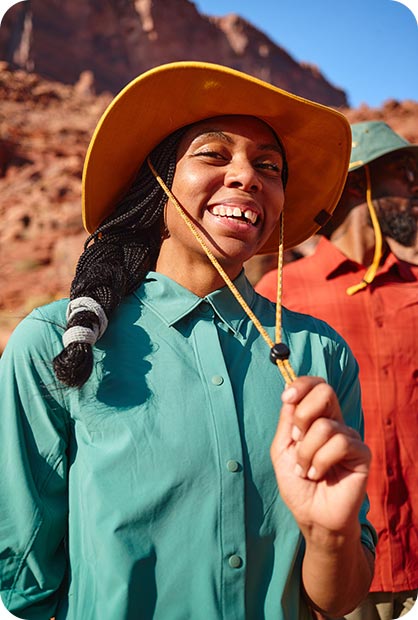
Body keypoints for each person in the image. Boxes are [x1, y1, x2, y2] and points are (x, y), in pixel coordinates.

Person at [0, 62, 376, 620]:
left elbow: (339, 598)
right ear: (158, 180)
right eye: (214, 155)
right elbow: (22, 581)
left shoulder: (321, 355)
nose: (248, 176)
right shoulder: (53, 344)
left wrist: (328, 536)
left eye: (269, 166)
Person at [256, 120, 418, 619]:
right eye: (400, 174)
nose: (414, 188)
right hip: (336, 560)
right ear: (357, 184)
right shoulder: (280, 298)